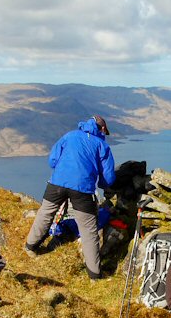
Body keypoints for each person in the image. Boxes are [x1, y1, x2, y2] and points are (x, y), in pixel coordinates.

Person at [24, 114, 117, 279]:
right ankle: (95, 275)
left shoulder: (70, 136)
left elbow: (53, 160)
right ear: (102, 128)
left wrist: (63, 171)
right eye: (105, 131)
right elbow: (108, 177)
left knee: (45, 212)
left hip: (57, 183)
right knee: (88, 230)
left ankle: (30, 247)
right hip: (83, 189)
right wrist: (101, 184)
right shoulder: (101, 145)